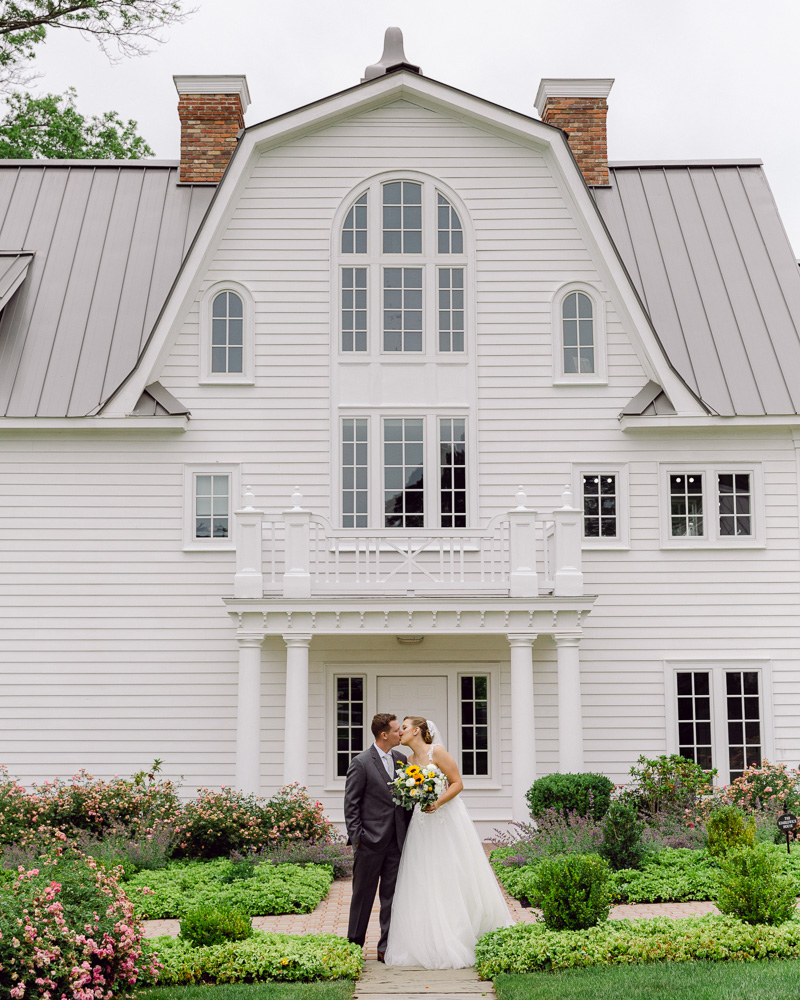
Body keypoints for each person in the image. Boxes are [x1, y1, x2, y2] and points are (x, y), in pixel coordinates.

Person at [384, 716, 514, 969]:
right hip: (422, 823)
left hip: (446, 819)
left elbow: (457, 783)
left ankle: (458, 932)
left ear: (418, 731)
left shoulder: (438, 753)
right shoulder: (408, 761)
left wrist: (437, 802)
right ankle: (427, 937)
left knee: (450, 871)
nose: (400, 732)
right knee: (423, 875)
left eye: (405, 728)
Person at [344, 712, 411, 963]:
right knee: (363, 895)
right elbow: (351, 804)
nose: (400, 734)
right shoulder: (361, 762)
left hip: (396, 841)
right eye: (396, 730)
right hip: (369, 842)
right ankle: (354, 945)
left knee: (391, 897)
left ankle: (385, 947)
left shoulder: (401, 759)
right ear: (384, 734)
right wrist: (358, 838)